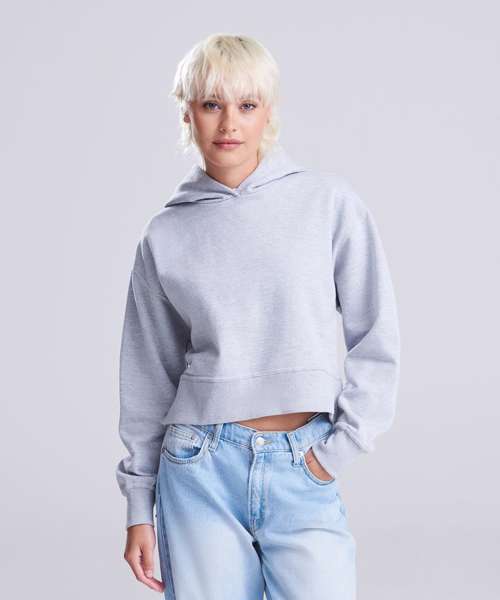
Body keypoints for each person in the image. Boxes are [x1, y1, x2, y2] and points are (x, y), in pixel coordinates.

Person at [115, 33, 400, 600]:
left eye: (246, 104)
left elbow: (376, 335)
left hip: (303, 461)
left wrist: (336, 451)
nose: (229, 123)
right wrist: (138, 504)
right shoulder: (165, 233)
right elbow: (148, 376)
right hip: (197, 467)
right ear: (187, 112)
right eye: (211, 104)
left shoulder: (327, 202)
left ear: (269, 111)